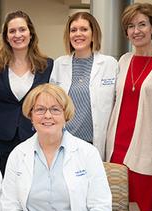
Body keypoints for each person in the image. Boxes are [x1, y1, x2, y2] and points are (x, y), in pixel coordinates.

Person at [1, 83, 111, 211]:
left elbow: (100, 208)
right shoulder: (18, 154)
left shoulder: (88, 153)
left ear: (66, 115)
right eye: (40, 110)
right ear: (31, 115)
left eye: (55, 110)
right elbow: (11, 207)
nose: (47, 116)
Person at [105, 3, 152, 211]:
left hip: (145, 150)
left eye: (142, 24)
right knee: (114, 210)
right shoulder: (123, 60)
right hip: (116, 147)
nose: (136, 31)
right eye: (130, 26)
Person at [0, 10, 53, 174]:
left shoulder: (46, 65)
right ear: (6, 36)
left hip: (33, 135)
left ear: (31, 33)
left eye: (22, 29)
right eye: (12, 31)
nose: (18, 35)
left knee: (30, 183)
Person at [50, 12, 118, 159]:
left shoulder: (109, 64)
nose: (78, 34)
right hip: (64, 141)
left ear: (93, 34)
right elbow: (52, 105)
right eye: (73, 30)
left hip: (94, 143)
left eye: (84, 29)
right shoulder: (59, 64)